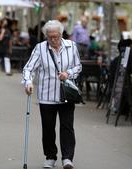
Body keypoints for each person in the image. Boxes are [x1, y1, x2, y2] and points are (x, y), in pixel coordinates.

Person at [22, 20, 82, 169]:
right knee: (48, 128)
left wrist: (68, 73)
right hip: (47, 95)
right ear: (46, 36)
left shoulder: (71, 46)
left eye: (55, 36)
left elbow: (78, 66)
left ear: (61, 34)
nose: (53, 40)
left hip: (67, 95)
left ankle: (67, 158)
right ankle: (50, 157)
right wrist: (28, 82)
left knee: (67, 127)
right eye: (50, 37)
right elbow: (29, 68)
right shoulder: (40, 48)